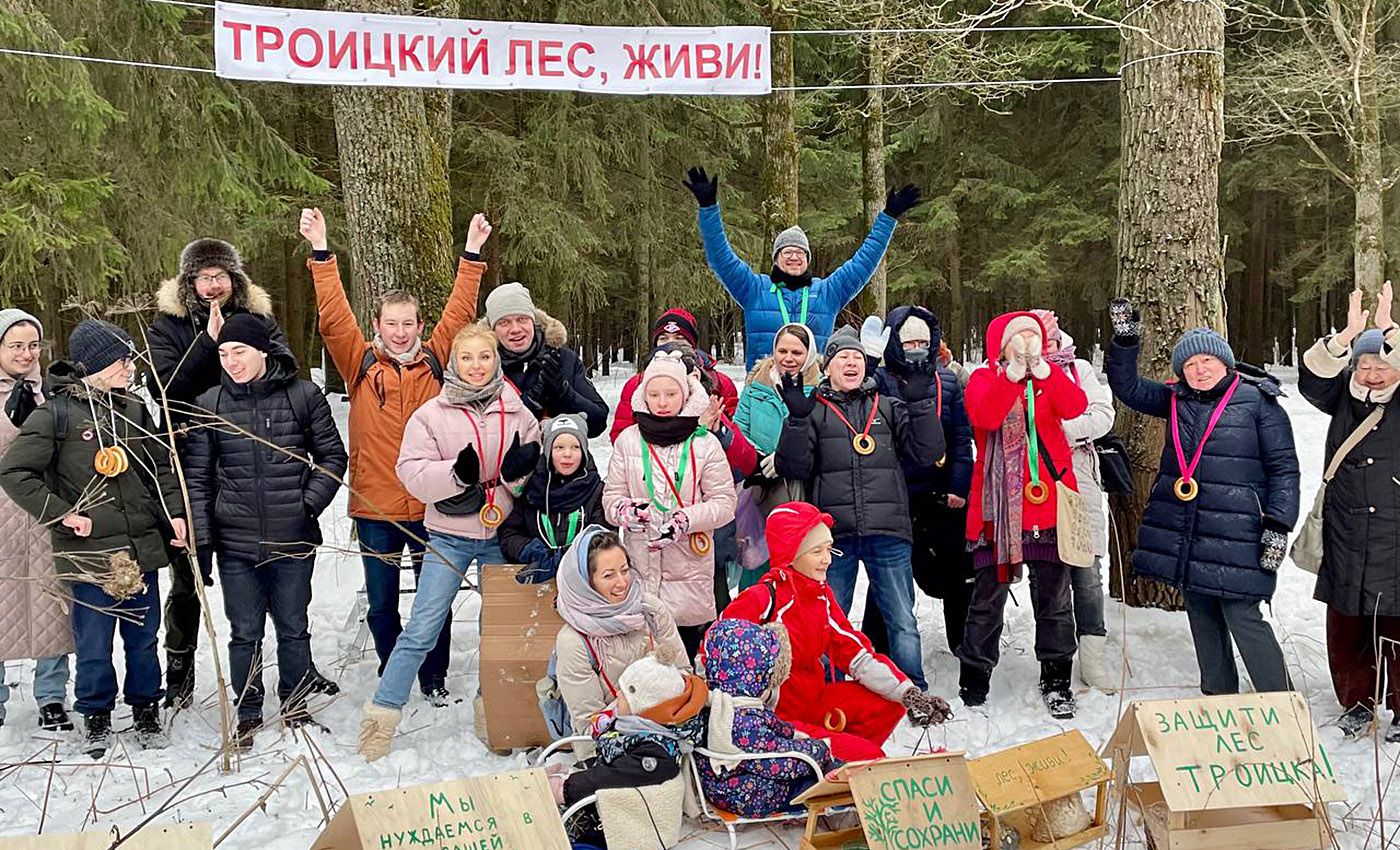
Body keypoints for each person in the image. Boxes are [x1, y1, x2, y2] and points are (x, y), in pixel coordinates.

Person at [301, 207, 489, 705]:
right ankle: (394, 670)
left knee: (436, 601)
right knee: (382, 603)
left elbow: (460, 313)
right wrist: (321, 253)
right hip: (377, 507)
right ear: (378, 326)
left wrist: (471, 254)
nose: (400, 332)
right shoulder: (359, 362)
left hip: (435, 508)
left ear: (420, 326)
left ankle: (434, 676)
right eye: (391, 324)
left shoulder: (436, 358)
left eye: (408, 324)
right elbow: (333, 317)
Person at [0, 320, 187, 757]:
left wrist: (174, 513)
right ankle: (97, 714)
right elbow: (14, 472)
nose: (130, 367)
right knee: (94, 642)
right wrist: (62, 514)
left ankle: (145, 709)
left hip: (139, 548)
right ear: (98, 365)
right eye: (123, 360)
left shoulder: (134, 410)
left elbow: (159, 467)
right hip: (88, 553)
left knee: (143, 637)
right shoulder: (55, 415)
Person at [357, 323, 541, 760]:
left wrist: (516, 478)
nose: (476, 366)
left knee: (498, 633)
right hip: (449, 534)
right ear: (454, 363)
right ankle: (381, 718)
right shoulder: (431, 414)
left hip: (502, 533)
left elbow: (536, 465)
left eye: (484, 357)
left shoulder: (518, 412)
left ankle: (494, 711)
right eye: (466, 358)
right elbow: (411, 472)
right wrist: (455, 475)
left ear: (496, 360)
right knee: (422, 626)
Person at [1107, 300, 1298, 697]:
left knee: (1243, 614)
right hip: (1189, 531)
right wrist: (1126, 339)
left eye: (1208, 360)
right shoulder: (1174, 400)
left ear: (1225, 363)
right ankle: (1218, 699)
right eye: (1190, 364)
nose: (1200, 369)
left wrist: (1278, 527)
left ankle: (1282, 706)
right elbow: (1126, 388)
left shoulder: (1259, 401)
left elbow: (1284, 470)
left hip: (1240, 532)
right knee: (1202, 614)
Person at [184, 315, 348, 749]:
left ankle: (295, 702)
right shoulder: (211, 404)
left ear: (262, 351)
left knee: (293, 626)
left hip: (292, 538)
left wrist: (307, 504)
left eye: (239, 351)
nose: (231, 361)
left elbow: (333, 456)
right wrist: (203, 542)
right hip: (236, 544)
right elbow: (197, 478)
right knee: (245, 631)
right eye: (223, 353)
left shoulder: (302, 396)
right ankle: (249, 709)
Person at [148, 237, 288, 706]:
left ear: (234, 279)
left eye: (220, 276)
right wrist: (209, 345)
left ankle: (290, 663)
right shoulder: (168, 325)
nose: (213, 285)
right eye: (203, 277)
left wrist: (246, 344)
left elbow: (284, 368)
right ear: (190, 282)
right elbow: (165, 388)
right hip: (191, 458)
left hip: (252, 458)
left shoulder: (259, 315)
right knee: (188, 571)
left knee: (260, 564)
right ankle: (180, 668)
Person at [774, 325, 945, 687]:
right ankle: (822, 688)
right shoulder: (815, 411)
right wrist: (797, 421)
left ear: (866, 366)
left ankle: (912, 687)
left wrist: (920, 405)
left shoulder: (888, 406)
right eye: (841, 358)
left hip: (888, 529)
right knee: (827, 617)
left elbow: (928, 453)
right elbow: (793, 468)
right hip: (832, 538)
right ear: (828, 367)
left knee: (901, 618)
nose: (850, 364)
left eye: (856, 358)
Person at [724, 501, 952, 762]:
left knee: (887, 701)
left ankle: (833, 761)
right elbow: (714, 653)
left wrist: (908, 693)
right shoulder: (762, 599)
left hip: (814, 702)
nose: (827, 559)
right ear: (791, 553)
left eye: (829, 549)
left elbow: (854, 651)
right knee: (871, 758)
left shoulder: (820, 595)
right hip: (777, 719)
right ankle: (829, 762)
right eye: (816, 551)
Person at [959, 311, 1088, 718]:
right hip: (999, 508)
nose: (1027, 344)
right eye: (1019, 338)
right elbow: (984, 418)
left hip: (1050, 506)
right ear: (1001, 346)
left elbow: (1075, 407)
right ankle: (975, 677)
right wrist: (1011, 376)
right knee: (987, 599)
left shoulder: (1053, 377)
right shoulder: (984, 379)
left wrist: (1046, 372)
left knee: (1054, 598)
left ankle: (1056, 677)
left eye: (1033, 336)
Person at [682, 165, 924, 370]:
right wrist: (708, 208)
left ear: (808, 260)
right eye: (787, 252)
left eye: (800, 253)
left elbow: (864, 261)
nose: (794, 257)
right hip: (765, 391)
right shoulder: (754, 289)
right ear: (776, 259)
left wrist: (888, 217)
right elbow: (721, 257)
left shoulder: (828, 292)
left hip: (814, 391)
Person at [1298, 285, 1400, 743]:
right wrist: (1349, 336)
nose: (1374, 373)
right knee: (1347, 622)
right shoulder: (1342, 396)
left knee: (1396, 625)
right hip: (1343, 527)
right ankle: (1357, 702)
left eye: (1382, 365)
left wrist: (1388, 330)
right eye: (1365, 364)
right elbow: (1311, 379)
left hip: (1395, 533)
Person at [604, 351, 738, 659]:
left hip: (690, 571)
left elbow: (724, 503)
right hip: (641, 572)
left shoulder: (704, 443)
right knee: (646, 666)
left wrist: (686, 519)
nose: (662, 402)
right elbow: (611, 497)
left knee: (686, 663)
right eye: (654, 394)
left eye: (670, 394)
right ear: (643, 396)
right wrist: (625, 512)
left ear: (685, 394)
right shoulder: (628, 440)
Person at [862, 307, 975, 659]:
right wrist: (867, 361)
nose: (915, 348)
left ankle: (964, 639)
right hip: (892, 494)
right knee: (890, 575)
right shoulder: (879, 379)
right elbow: (853, 398)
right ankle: (876, 646)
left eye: (922, 342)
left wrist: (960, 485)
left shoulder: (949, 380)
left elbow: (961, 437)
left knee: (957, 570)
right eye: (908, 341)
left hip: (941, 493)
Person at [1029, 309, 1117, 691]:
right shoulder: (1015, 371)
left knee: (1087, 573)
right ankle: (1055, 655)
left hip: (1077, 481)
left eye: (1046, 340)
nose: (1041, 348)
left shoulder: (1077, 369)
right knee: (1047, 575)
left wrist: (1061, 432)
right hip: (1034, 486)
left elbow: (1102, 415)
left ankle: (1093, 657)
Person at [551, 526, 689, 750]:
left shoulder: (649, 610)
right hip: (614, 746)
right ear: (587, 582)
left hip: (670, 730)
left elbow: (683, 672)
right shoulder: (574, 640)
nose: (622, 583)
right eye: (608, 575)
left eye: (624, 570)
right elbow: (589, 725)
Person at [0, 310, 73, 732]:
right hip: (2, 515)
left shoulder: (53, 393)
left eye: (32, 345)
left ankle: (51, 696)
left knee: (52, 605)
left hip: (46, 511)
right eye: (16, 346)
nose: (26, 354)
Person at [552, 655, 707, 848]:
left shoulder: (655, 752)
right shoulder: (638, 728)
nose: (617, 695)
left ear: (645, 707)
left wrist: (566, 788)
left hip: (627, 829)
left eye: (625, 694)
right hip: (603, 814)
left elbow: (614, 774)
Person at [696, 618, 839, 818]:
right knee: (825, 778)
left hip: (723, 787)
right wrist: (819, 750)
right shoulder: (746, 721)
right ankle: (845, 802)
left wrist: (790, 733)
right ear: (757, 676)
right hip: (752, 796)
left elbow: (771, 726)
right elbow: (782, 763)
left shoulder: (714, 704)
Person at [485, 281, 609, 438]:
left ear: (533, 321)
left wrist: (563, 393)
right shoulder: (484, 367)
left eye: (522, 319)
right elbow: (479, 432)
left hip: (559, 460)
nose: (515, 329)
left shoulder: (563, 358)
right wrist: (529, 403)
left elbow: (598, 422)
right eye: (504, 323)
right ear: (492, 329)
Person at [499, 414, 611, 584]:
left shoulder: (597, 491)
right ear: (548, 451)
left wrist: (564, 557)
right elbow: (509, 534)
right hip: (536, 584)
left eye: (575, 447)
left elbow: (602, 537)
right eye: (559, 447)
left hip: (584, 581)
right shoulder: (531, 489)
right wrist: (530, 550)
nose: (567, 454)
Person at [608, 308, 739, 442]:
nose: (671, 344)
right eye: (663, 338)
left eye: (679, 338)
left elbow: (737, 442)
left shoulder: (719, 382)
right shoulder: (637, 383)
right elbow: (620, 437)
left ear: (692, 344)